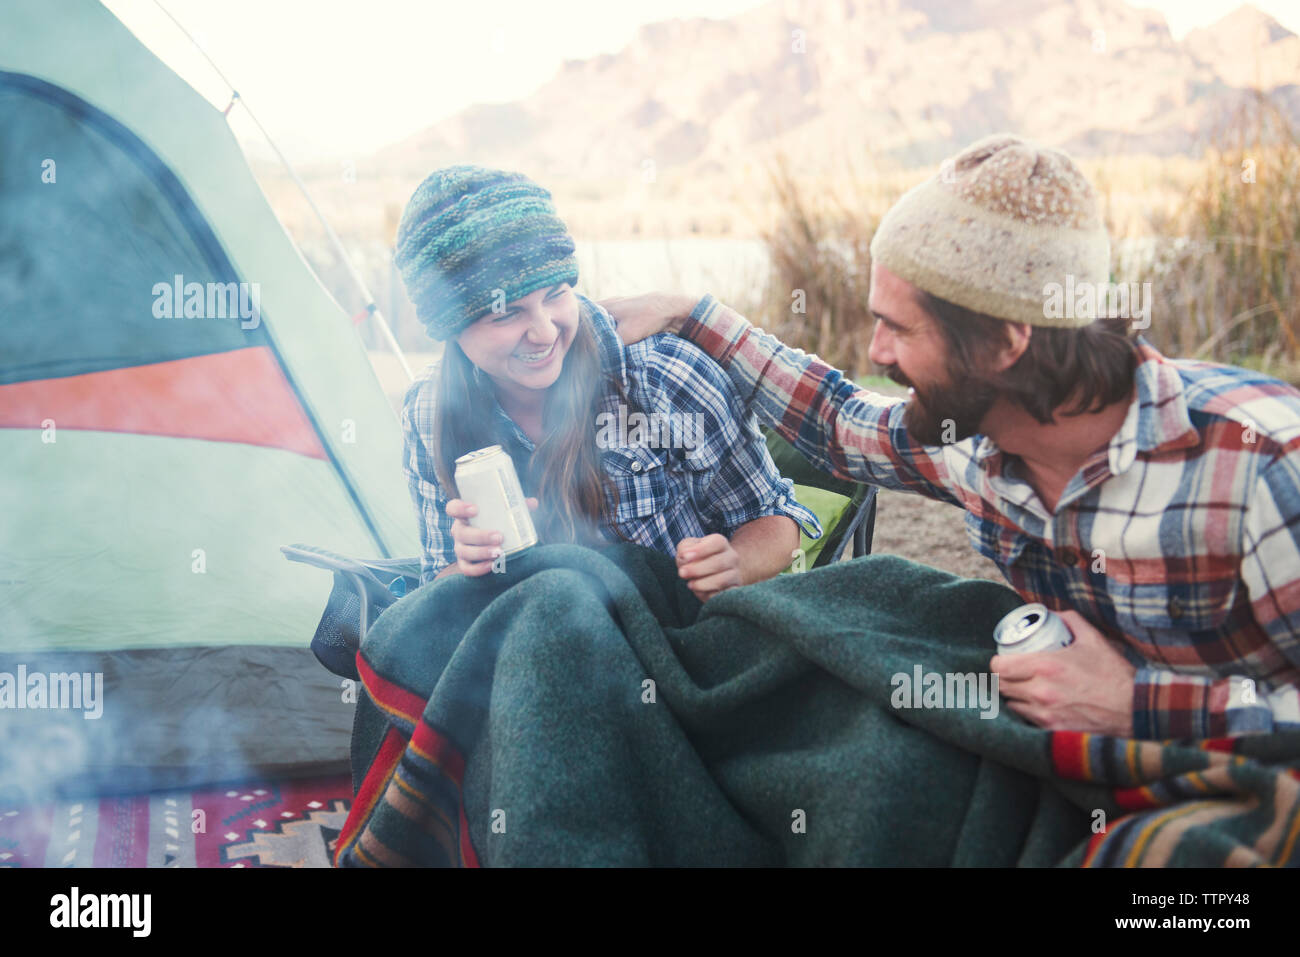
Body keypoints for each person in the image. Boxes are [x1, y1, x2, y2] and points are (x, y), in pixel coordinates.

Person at [606, 134, 1300, 739]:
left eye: (899, 328)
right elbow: (839, 420)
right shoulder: (973, 443)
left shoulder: (1261, 464)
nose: (875, 351)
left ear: (1004, 342)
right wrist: (693, 314)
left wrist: (1136, 704)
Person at [392, 165, 821, 602]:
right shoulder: (428, 411)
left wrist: (736, 563)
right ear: (449, 329)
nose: (544, 333)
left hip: (680, 639)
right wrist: (471, 570)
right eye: (507, 314)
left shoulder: (664, 374)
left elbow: (774, 518)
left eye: (555, 294)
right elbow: (436, 583)